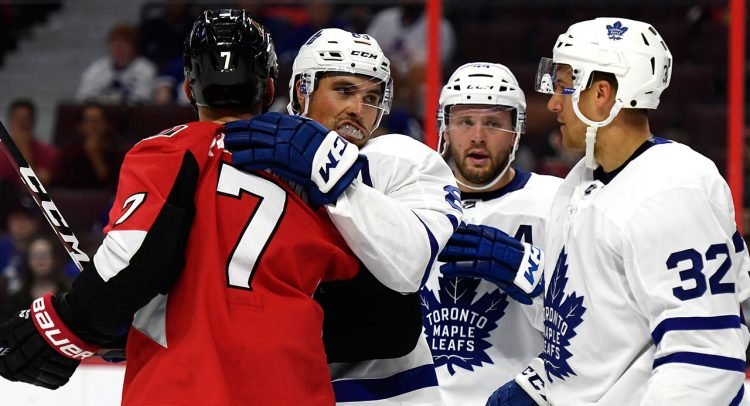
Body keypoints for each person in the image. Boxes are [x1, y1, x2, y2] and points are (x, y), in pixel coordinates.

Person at [0, 9, 363, 405]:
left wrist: (63, 326)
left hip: (181, 386)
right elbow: (369, 312)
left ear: (189, 89)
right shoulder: (322, 172)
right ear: (269, 87)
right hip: (293, 388)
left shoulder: (167, 151)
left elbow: (137, 263)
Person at [444, 18, 750, 405]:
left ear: (602, 93)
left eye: (563, 85)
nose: (554, 102)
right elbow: (583, 329)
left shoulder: (672, 188)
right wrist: (536, 388)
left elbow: (705, 359)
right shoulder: (580, 183)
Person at [225, 28, 463, 404]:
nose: (359, 109)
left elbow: (410, 264)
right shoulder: (256, 153)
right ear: (302, 90)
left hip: (389, 394)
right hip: (275, 386)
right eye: (344, 91)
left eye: (371, 97)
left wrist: (332, 172)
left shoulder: (405, 160)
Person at [419, 62, 562, 406]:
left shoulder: (556, 201)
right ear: (446, 127)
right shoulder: (413, 201)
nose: (478, 136)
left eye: (494, 123)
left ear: (517, 131)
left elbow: (594, 316)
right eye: (465, 121)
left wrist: (531, 272)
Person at [75, 23, 157, 105]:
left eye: (124, 42)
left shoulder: (145, 69)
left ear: (134, 46)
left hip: (132, 114)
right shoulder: (97, 67)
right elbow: (84, 96)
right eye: (115, 42)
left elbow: (142, 99)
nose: (118, 46)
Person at [55, 103, 123, 191]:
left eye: (98, 121)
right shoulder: (70, 152)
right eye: (88, 121)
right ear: (79, 126)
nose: (94, 126)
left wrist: (95, 155)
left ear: (107, 125)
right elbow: (62, 186)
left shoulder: (118, 152)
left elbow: (116, 188)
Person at [5, 235, 70, 314]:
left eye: (45, 255)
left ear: (55, 259)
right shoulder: (17, 298)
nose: (40, 260)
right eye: (35, 255)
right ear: (28, 259)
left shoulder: (67, 295)